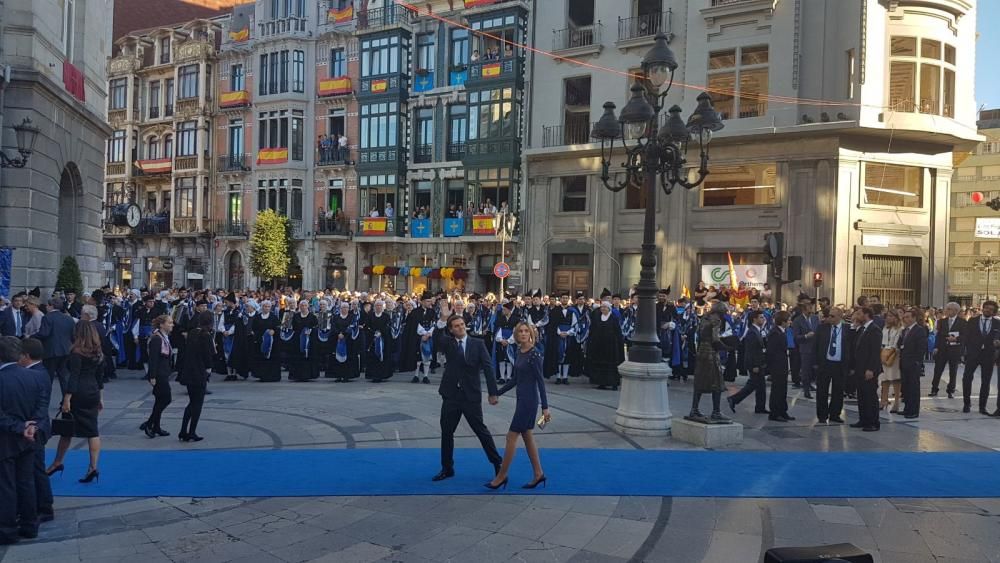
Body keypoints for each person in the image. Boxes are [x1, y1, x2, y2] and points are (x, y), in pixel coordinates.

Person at [431, 308, 503, 482]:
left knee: (481, 431)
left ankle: (498, 465)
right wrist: (442, 318)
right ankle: (447, 468)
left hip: (470, 395)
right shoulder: (448, 343)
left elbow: (488, 368)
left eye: (462, 324)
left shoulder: (477, 344)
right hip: (451, 395)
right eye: (456, 326)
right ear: (451, 329)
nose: (461, 327)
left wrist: (493, 393)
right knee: (447, 432)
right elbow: (436, 339)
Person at [487, 322, 550, 490]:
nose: (523, 334)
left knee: (511, 437)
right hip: (521, 399)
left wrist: (545, 407)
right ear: (516, 335)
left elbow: (540, 382)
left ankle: (501, 476)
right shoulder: (519, 352)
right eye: (520, 331)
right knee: (527, 437)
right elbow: (515, 379)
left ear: (531, 334)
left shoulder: (534, 354)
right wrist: (497, 393)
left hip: (529, 402)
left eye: (526, 331)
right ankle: (538, 474)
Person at [46, 320, 104, 483]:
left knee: (67, 429)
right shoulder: (97, 352)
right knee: (93, 430)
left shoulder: (76, 352)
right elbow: (100, 377)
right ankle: (93, 467)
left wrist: (67, 398)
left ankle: (57, 462)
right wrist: (101, 397)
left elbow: (74, 376)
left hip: (78, 392)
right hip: (92, 391)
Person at [0, 337, 46, 545]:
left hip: (7, 438)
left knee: (6, 484)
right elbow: (42, 407)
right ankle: (29, 524)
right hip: (30, 437)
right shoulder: (35, 377)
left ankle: (8, 529)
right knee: (26, 481)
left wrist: (20, 428)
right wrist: (32, 426)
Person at [17, 338, 53, 523]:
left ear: (26, 356)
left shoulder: (36, 374)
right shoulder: (40, 371)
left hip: (36, 428)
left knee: (37, 468)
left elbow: (40, 404)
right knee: (35, 467)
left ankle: (45, 506)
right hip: (38, 426)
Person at [177, 311, 214, 442]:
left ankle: (183, 430)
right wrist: (209, 369)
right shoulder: (206, 335)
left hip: (189, 371)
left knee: (191, 402)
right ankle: (192, 431)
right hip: (199, 372)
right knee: (197, 404)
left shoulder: (192, 333)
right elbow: (208, 355)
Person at [961, 301, 998, 415]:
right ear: (983, 308)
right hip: (973, 354)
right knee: (966, 378)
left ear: (994, 312)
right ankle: (967, 403)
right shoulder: (972, 321)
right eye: (986, 308)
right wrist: (963, 352)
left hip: (988, 355)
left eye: (991, 309)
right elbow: (966, 337)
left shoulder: (997, 323)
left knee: (985, 381)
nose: (988, 310)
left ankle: (982, 406)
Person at [728, 310, 768, 414]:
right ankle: (734, 399)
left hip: (759, 362)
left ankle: (760, 407)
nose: (763, 319)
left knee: (761, 386)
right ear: (754, 319)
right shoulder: (751, 332)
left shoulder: (757, 330)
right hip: (754, 364)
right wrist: (754, 365)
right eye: (761, 317)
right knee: (753, 384)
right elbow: (751, 350)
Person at [851, 307, 883, 431]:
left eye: (859, 314)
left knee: (870, 395)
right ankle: (863, 419)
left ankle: (873, 422)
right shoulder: (861, 329)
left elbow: (874, 352)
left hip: (869, 369)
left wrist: (871, 369)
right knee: (862, 395)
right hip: (860, 368)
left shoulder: (874, 330)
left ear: (867, 315)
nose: (856, 316)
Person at [141, 315, 173, 438]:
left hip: (164, 372)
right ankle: (150, 423)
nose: (172, 325)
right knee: (166, 399)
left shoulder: (164, 337)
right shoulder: (157, 339)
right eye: (169, 323)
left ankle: (156, 426)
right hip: (159, 374)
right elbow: (153, 359)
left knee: (159, 400)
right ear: (162, 325)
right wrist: (152, 376)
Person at [35, 298, 75, 397]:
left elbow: (44, 333)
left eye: (47, 306)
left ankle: (45, 398)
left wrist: (31, 336)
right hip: (66, 350)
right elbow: (73, 335)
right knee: (64, 376)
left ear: (51, 306)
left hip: (51, 351)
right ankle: (66, 400)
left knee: (48, 377)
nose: (46, 308)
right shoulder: (68, 318)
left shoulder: (48, 317)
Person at [814, 307, 848, 423]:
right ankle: (822, 415)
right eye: (829, 315)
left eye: (832, 316)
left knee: (838, 390)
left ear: (840, 317)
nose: (829, 318)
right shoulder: (822, 328)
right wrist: (815, 363)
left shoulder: (847, 329)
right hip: (825, 363)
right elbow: (816, 345)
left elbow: (851, 349)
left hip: (839, 364)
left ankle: (835, 414)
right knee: (822, 390)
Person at [587, 300, 624, 390]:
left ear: (609, 308)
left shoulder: (613, 318)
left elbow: (618, 331)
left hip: (611, 346)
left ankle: (614, 383)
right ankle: (602, 383)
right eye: (602, 307)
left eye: (605, 307)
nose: (603, 309)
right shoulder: (598, 317)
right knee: (601, 364)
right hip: (600, 345)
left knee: (611, 365)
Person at [930, 302, 964, 398]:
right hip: (942, 349)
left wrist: (956, 339)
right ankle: (934, 389)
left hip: (955, 349)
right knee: (938, 370)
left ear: (956, 311)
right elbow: (938, 335)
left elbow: (965, 336)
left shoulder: (962, 322)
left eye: (950, 309)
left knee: (953, 371)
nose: (948, 311)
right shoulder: (942, 321)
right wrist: (936, 347)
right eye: (947, 309)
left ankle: (951, 390)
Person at [899, 309, 928, 419]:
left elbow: (921, 348)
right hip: (904, 362)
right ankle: (907, 408)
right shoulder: (904, 330)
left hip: (913, 363)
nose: (905, 319)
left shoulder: (919, 330)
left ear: (914, 318)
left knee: (913, 388)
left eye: (907, 317)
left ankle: (914, 411)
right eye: (904, 317)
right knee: (906, 387)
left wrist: (917, 361)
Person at [767, 311, 794, 422]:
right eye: (788, 320)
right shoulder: (775, 333)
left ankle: (783, 411)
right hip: (777, 366)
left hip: (783, 364)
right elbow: (771, 351)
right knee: (777, 390)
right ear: (783, 322)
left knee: (783, 389)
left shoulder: (783, 331)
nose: (790, 322)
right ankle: (775, 412)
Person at [792, 298, 820, 399]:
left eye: (811, 306)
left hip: (816, 348)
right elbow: (796, 337)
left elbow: (819, 330)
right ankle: (806, 390)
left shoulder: (815, 318)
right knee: (806, 370)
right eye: (809, 307)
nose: (811, 308)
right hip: (805, 349)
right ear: (804, 309)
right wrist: (805, 336)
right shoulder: (797, 320)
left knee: (817, 369)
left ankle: (816, 385)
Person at [879, 310, 903, 413]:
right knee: (884, 378)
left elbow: (897, 343)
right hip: (884, 353)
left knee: (895, 378)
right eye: (887, 316)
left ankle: (897, 402)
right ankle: (883, 400)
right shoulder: (884, 328)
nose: (888, 318)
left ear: (896, 318)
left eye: (891, 316)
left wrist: (891, 350)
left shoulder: (900, 329)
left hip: (894, 355)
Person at [251, 300, 281, 382]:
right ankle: (262, 375)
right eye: (265, 306)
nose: (266, 308)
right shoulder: (257, 317)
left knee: (271, 359)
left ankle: (272, 376)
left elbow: (278, 327)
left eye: (268, 307)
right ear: (262, 307)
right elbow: (254, 328)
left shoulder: (273, 317)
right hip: (261, 341)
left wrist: (274, 331)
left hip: (272, 343)